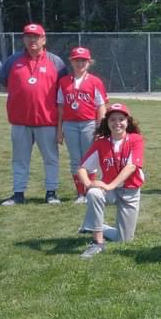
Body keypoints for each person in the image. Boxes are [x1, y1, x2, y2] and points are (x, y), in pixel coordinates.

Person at [0, 23, 67, 206]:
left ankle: (51, 192)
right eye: (28, 36)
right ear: (23, 39)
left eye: (36, 36)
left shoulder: (56, 62)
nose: (32, 40)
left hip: (47, 121)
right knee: (19, 159)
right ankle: (18, 193)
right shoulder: (13, 61)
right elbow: (3, 81)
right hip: (20, 121)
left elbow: (63, 89)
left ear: (44, 39)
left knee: (51, 159)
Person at [77, 103, 145, 259]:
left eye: (121, 119)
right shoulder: (101, 143)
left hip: (130, 191)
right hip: (110, 191)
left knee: (125, 239)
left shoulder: (135, 139)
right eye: (113, 119)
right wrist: (88, 184)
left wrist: (110, 184)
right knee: (94, 193)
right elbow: (81, 168)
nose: (117, 123)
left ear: (128, 121)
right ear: (107, 122)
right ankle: (97, 242)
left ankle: (91, 226)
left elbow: (132, 166)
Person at [57, 46, 108, 204]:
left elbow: (101, 106)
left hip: (89, 124)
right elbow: (60, 106)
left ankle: (89, 191)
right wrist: (59, 129)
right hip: (70, 124)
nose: (80, 63)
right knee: (75, 160)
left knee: (89, 159)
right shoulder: (64, 81)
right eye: (77, 60)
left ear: (89, 62)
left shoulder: (95, 81)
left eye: (83, 60)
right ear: (71, 62)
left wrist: (102, 127)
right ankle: (80, 193)